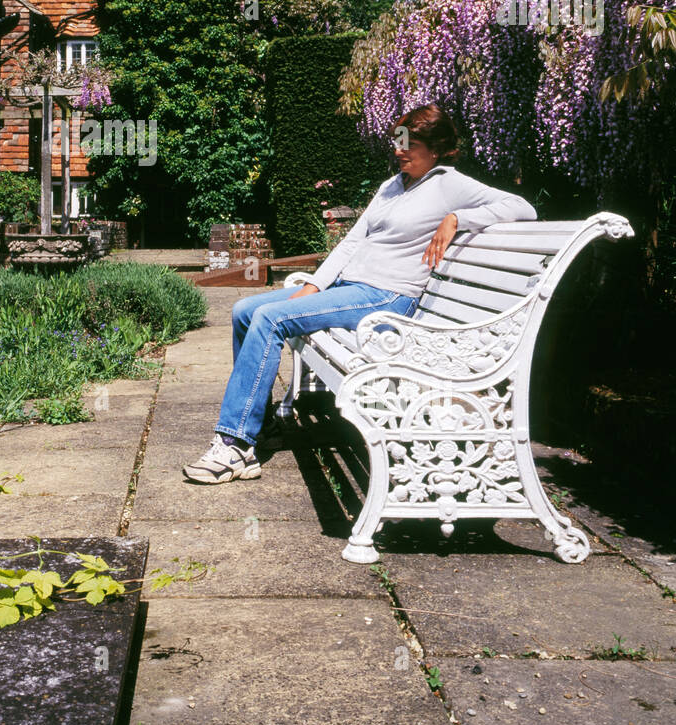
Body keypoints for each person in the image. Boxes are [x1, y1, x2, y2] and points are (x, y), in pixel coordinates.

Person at [182, 103, 537, 484]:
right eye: (397, 141)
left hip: (388, 296)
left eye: (410, 143)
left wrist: (457, 219)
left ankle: (236, 445)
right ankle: (264, 425)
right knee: (244, 309)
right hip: (351, 289)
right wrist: (315, 285)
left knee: (271, 319)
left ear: (436, 149)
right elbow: (352, 242)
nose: (399, 150)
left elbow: (522, 207)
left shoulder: (449, 183)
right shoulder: (392, 186)